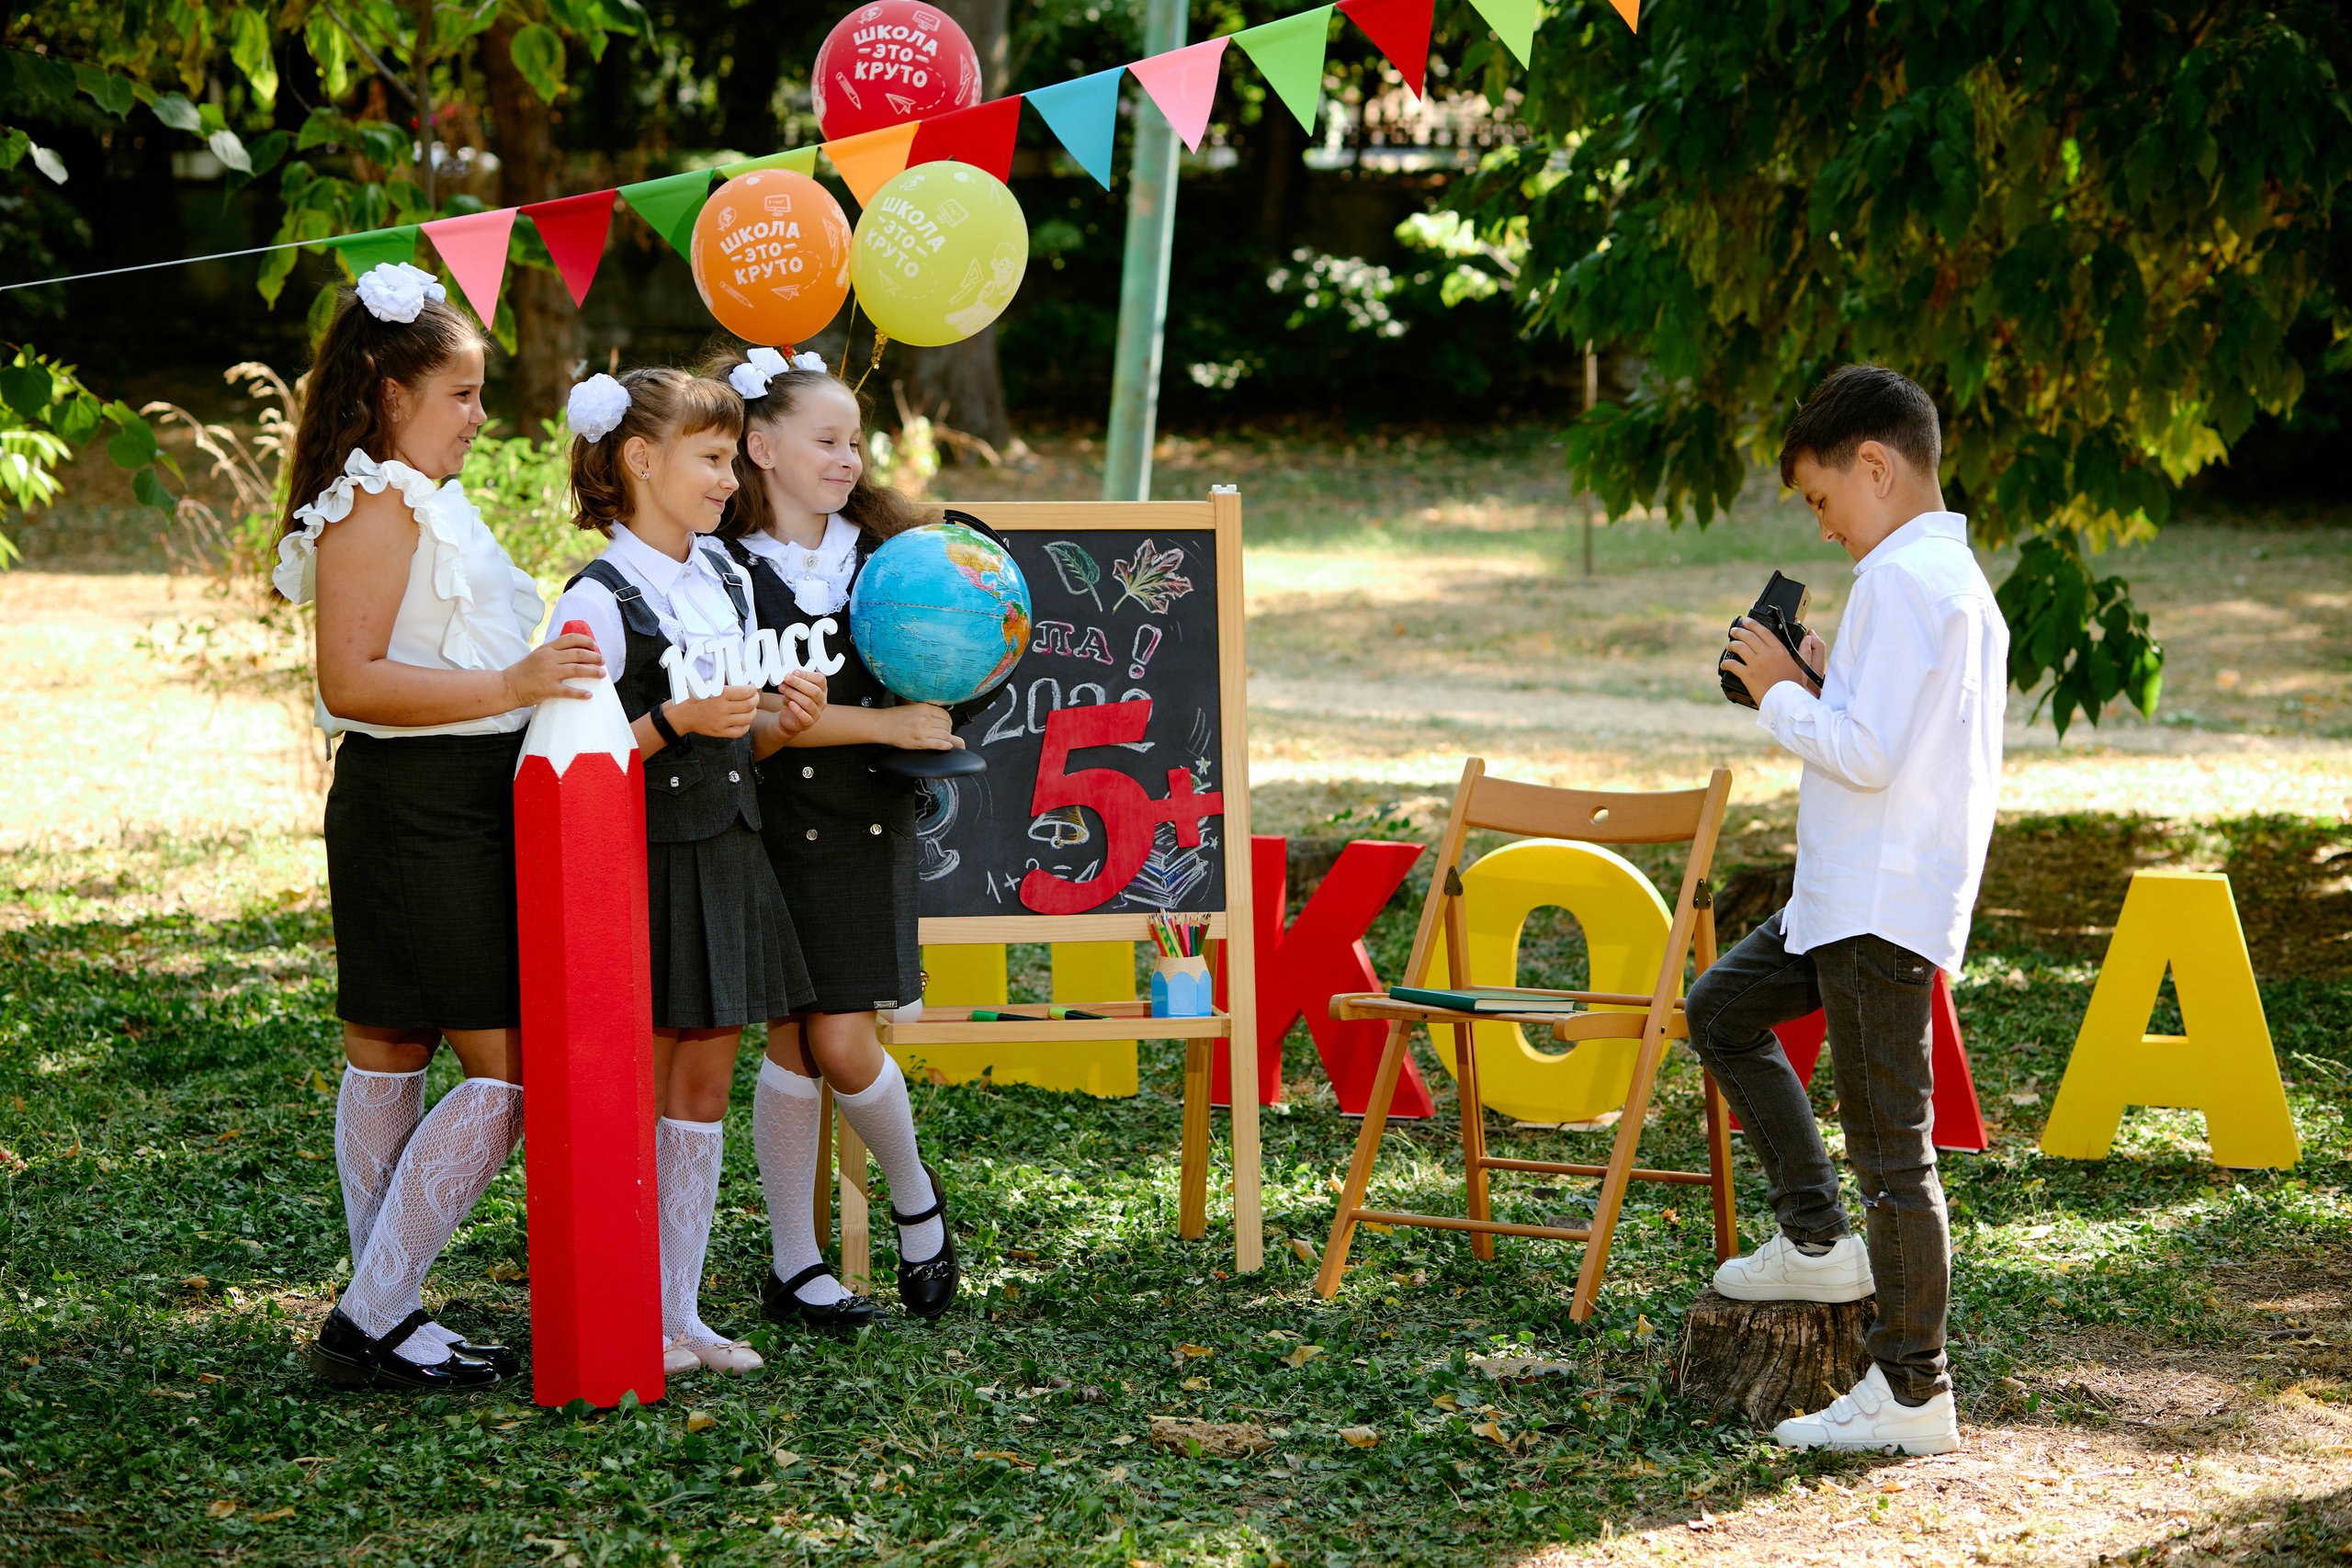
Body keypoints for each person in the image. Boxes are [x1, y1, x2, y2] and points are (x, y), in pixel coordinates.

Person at [277, 262, 604, 1392]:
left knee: (394, 1048)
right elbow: (356, 683)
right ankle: (371, 1317)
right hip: (414, 811)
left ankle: (388, 1309)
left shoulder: (427, 497)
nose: (478, 416)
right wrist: (517, 678)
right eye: (461, 395)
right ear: (388, 391)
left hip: (456, 804)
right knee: (498, 1071)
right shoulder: (367, 503)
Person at [1695, 364, 2007, 1456]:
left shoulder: (1898, 581)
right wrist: (1819, 684)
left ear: (1873, 466)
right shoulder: (1949, 577)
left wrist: (1778, 688)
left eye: (1822, 500)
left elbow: (1868, 756)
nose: (1822, 529)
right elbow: (1887, 733)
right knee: (1721, 1008)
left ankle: (1914, 1391)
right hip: (1851, 897)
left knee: (1894, 1153)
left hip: (1876, 906)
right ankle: (1818, 1240)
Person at [543, 366, 829, 1374]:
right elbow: (564, 766)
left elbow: (737, 740)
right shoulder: (597, 598)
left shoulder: (719, 578)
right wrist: (671, 721)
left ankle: (682, 1312)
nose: (725, 481)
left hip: (727, 852)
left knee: (704, 1083)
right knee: (637, 1083)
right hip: (642, 870)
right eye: (711, 459)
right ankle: (626, 1306)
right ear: (639, 459)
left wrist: (777, 728)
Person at [699, 344, 964, 1328]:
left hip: (859, 824)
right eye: (826, 440)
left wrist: (924, 712)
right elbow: (752, 721)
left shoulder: (891, 562)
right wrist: (874, 723)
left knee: (843, 1038)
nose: (849, 458)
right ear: (758, 447)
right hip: (761, 827)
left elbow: (946, 668)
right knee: (788, 1040)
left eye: (855, 440)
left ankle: (914, 1199)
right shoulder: (720, 571)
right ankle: (794, 1263)